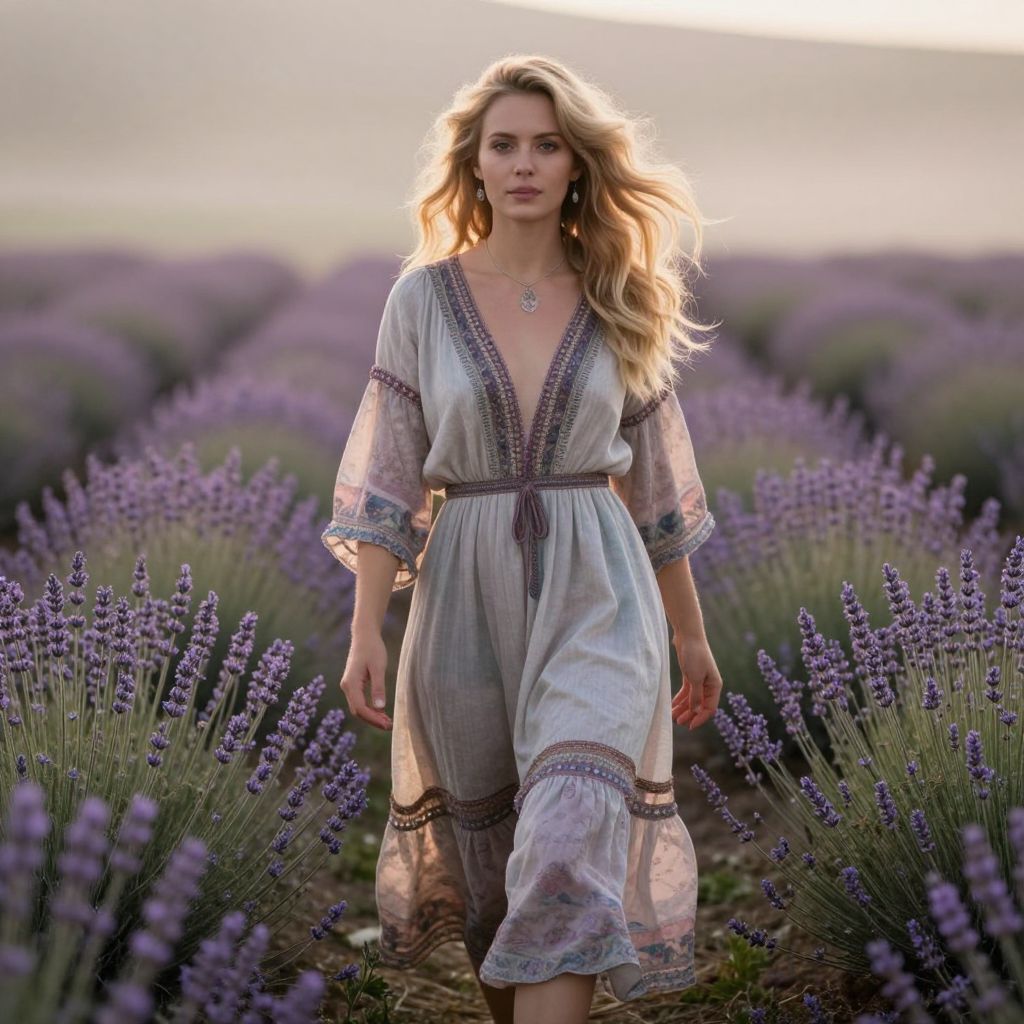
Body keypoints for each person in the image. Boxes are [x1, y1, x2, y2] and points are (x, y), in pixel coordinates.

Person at [322, 53, 725, 1024]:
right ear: (473, 164)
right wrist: (365, 630)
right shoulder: (420, 301)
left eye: (547, 145)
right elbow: (387, 479)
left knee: (566, 832)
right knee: (495, 873)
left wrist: (690, 634)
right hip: (463, 592)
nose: (525, 164)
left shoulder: (619, 296)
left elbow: (660, 492)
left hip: (601, 586)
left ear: (578, 163)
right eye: (503, 145)